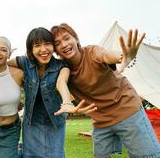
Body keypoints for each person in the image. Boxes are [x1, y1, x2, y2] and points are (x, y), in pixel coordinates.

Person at [51, 23, 160, 158]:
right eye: (58, 43)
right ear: (55, 50)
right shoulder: (63, 68)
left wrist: (124, 57)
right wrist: (66, 102)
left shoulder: (92, 52)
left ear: (76, 39)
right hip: (101, 121)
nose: (64, 44)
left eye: (67, 38)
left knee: (146, 156)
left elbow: (106, 55)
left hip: (127, 110)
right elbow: (61, 81)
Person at [2, 27, 96, 158]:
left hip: (55, 123)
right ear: (31, 49)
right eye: (37, 45)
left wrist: (67, 102)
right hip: (31, 123)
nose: (43, 49)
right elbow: (2, 64)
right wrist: (14, 98)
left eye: (47, 44)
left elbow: (61, 82)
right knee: (31, 156)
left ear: (53, 46)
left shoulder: (62, 66)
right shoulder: (24, 62)